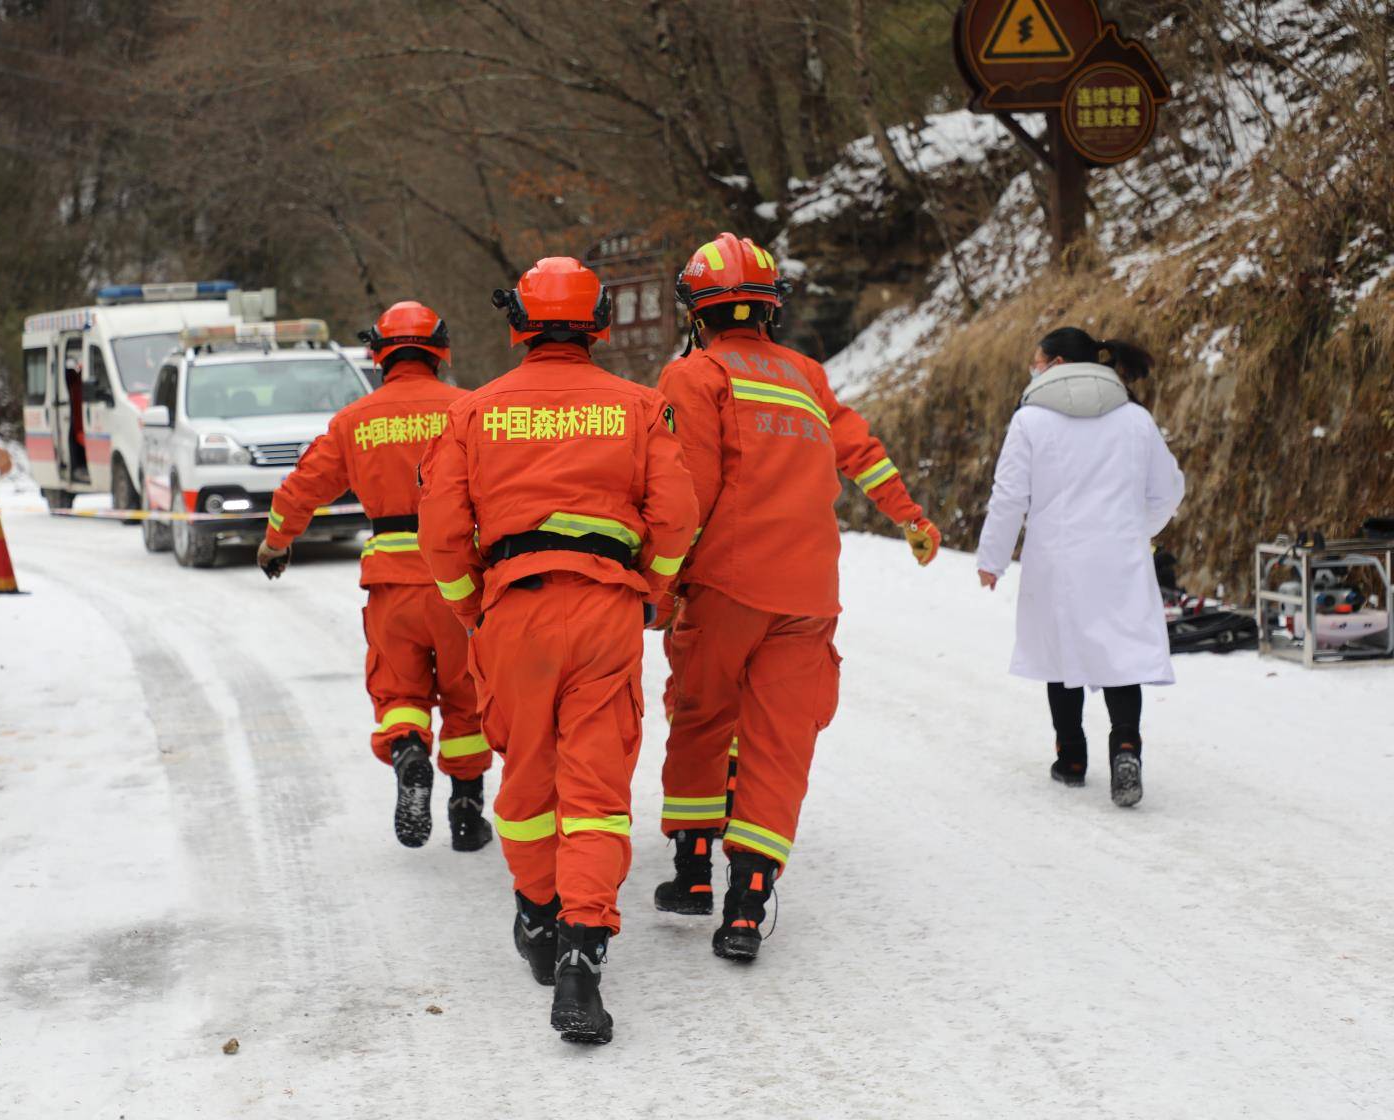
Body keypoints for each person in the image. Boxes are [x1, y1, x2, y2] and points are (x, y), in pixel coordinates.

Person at [418, 257, 697, 1045]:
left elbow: (442, 531)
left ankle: (538, 916)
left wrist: (472, 606)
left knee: (529, 779)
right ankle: (583, 952)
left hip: (514, 609)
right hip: (607, 609)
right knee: (596, 787)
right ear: (598, 324)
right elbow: (677, 514)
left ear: (518, 324)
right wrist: (653, 589)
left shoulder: (473, 413)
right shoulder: (640, 407)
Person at [652, 232, 941, 962]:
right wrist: (909, 517)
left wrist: (661, 583)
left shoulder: (694, 375)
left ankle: (692, 872)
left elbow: (690, 491)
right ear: (769, 309)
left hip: (726, 584)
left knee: (702, 717)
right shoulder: (806, 375)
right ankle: (747, 907)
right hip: (810, 594)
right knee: (779, 743)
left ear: (697, 312)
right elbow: (861, 451)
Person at [256, 301, 493, 852]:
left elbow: (302, 487)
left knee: (400, 691)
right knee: (468, 696)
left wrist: (275, 542)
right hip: (460, 581)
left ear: (378, 355)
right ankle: (466, 814)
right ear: (440, 351)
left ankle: (409, 751)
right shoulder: (470, 410)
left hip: (390, 583)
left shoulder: (355, 420)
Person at [974, 327, 1186, 807]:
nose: (1033, 369)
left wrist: (992, 559)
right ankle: (1126, 746)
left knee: (1060, 653)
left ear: (1057, 364)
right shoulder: (1135, 419)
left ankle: (1070, 756)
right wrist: (1136, 529)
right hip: (1120, 556)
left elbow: (1009, 497)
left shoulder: (1030, 421)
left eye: (1037, 360)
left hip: (1057, 558)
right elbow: (1168, 489)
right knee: (1121, 652)